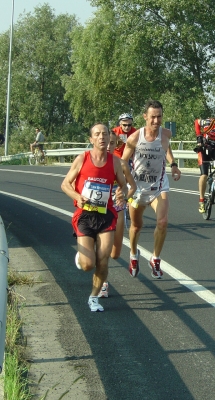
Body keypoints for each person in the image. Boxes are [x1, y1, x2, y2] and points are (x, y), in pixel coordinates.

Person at [61, 122, 127, 312]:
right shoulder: (82, 158)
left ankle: (94, 297)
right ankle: (82, 258)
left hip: (106, 214)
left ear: (109, 137)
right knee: (88, 265)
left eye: (105, 134)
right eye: (97, 134)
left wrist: (123, 193)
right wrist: (76, 196)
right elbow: (65, 184)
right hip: (85, 215)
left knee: (103, 258)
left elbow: (123, 185)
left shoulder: (114, 161)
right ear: (91, 139)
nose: (102, 137)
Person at [122, 99, 181, 279]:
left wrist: (173, 164)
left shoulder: (166, 134)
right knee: (136, 226)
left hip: (158, 186)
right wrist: (127, 184)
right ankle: (133, 255)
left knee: (162, 222)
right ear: (145, 117)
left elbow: (166, 148)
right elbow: (123, 161)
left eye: (159, 117)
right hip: (138, 188)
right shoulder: (134, 138)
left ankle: (155, 258)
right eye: (153, 117)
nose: (156, 121)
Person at [98, 131, 137, 298]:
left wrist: (124, 197)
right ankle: (103, 284)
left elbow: (132, 187)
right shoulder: (92, 162)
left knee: (115, 254)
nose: (108, 146)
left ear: (116, 145)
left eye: (112, 143)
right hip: (97, 208)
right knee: (103, 250)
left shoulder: (121, 164)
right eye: (106, 142)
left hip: (116, 208)